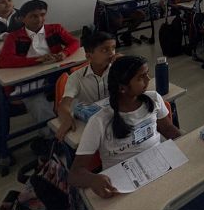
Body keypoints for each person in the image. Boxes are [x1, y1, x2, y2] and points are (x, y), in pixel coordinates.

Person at [68, 55, 181, 198]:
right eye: (141, 77)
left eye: (147, 74)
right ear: (122, 88)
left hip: (158, 167)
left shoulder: (154, 98)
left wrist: (187, 142)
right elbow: (74, 174)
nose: (148, 79)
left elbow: (168, 129)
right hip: (123, 182)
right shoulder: (99, 121)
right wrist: (92, 179)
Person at [0, 0, 80, 128]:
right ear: (22, 19)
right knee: (37, 103)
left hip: (55, 74)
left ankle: (72, 126)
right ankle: (51, 134)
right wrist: (37, 60)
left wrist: (64, 53)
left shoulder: (55, 29)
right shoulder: (14, 37)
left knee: (76, 93)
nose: (39, 19)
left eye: (42, 15)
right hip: (28, 79)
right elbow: (5, 60)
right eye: (33, 16)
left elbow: (75, 42)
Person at [55, 31, 120, 141]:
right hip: (90, 122)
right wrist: (67, 119)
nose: (112, 54)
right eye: (105, 50)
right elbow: (63, 106)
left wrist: (126, 65)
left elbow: (137, 89)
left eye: (113, 48)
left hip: (114, 118)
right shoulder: (76, 77)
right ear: (89, 56)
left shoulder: (118, 70)